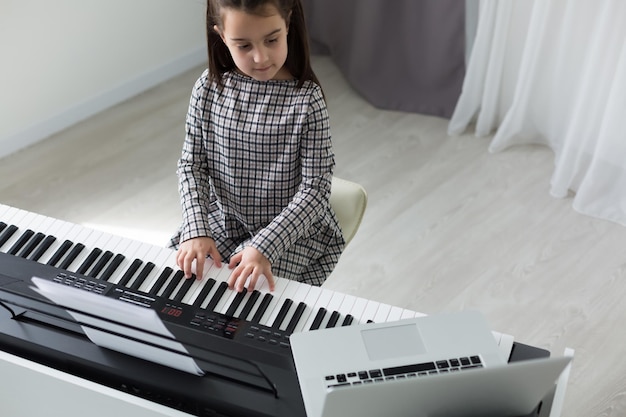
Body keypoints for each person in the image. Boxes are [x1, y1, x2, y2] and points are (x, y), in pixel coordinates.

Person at [168, 0, 344, 294]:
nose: (260, 57)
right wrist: (196, 229)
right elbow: (192, 165)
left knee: (246, 308)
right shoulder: (207, 88)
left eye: (272, 40)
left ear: (288, 25)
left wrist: (264, 245)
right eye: (243, 45)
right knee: (171, 287)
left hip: (290, 233)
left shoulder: (307, 101)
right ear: (222, 37)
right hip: (223, 223)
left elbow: (315, 190)